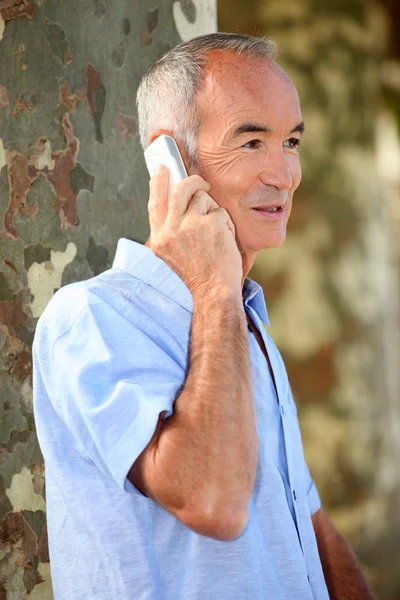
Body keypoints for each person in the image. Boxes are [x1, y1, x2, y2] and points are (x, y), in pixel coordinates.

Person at [33, 32, 375, 600]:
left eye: (290, 141)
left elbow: (307, 524)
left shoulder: (247, 324)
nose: (285, 174)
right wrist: (214, 287)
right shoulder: (91, 316)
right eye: (251, 143)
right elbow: (212, 502)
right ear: (169, 162)